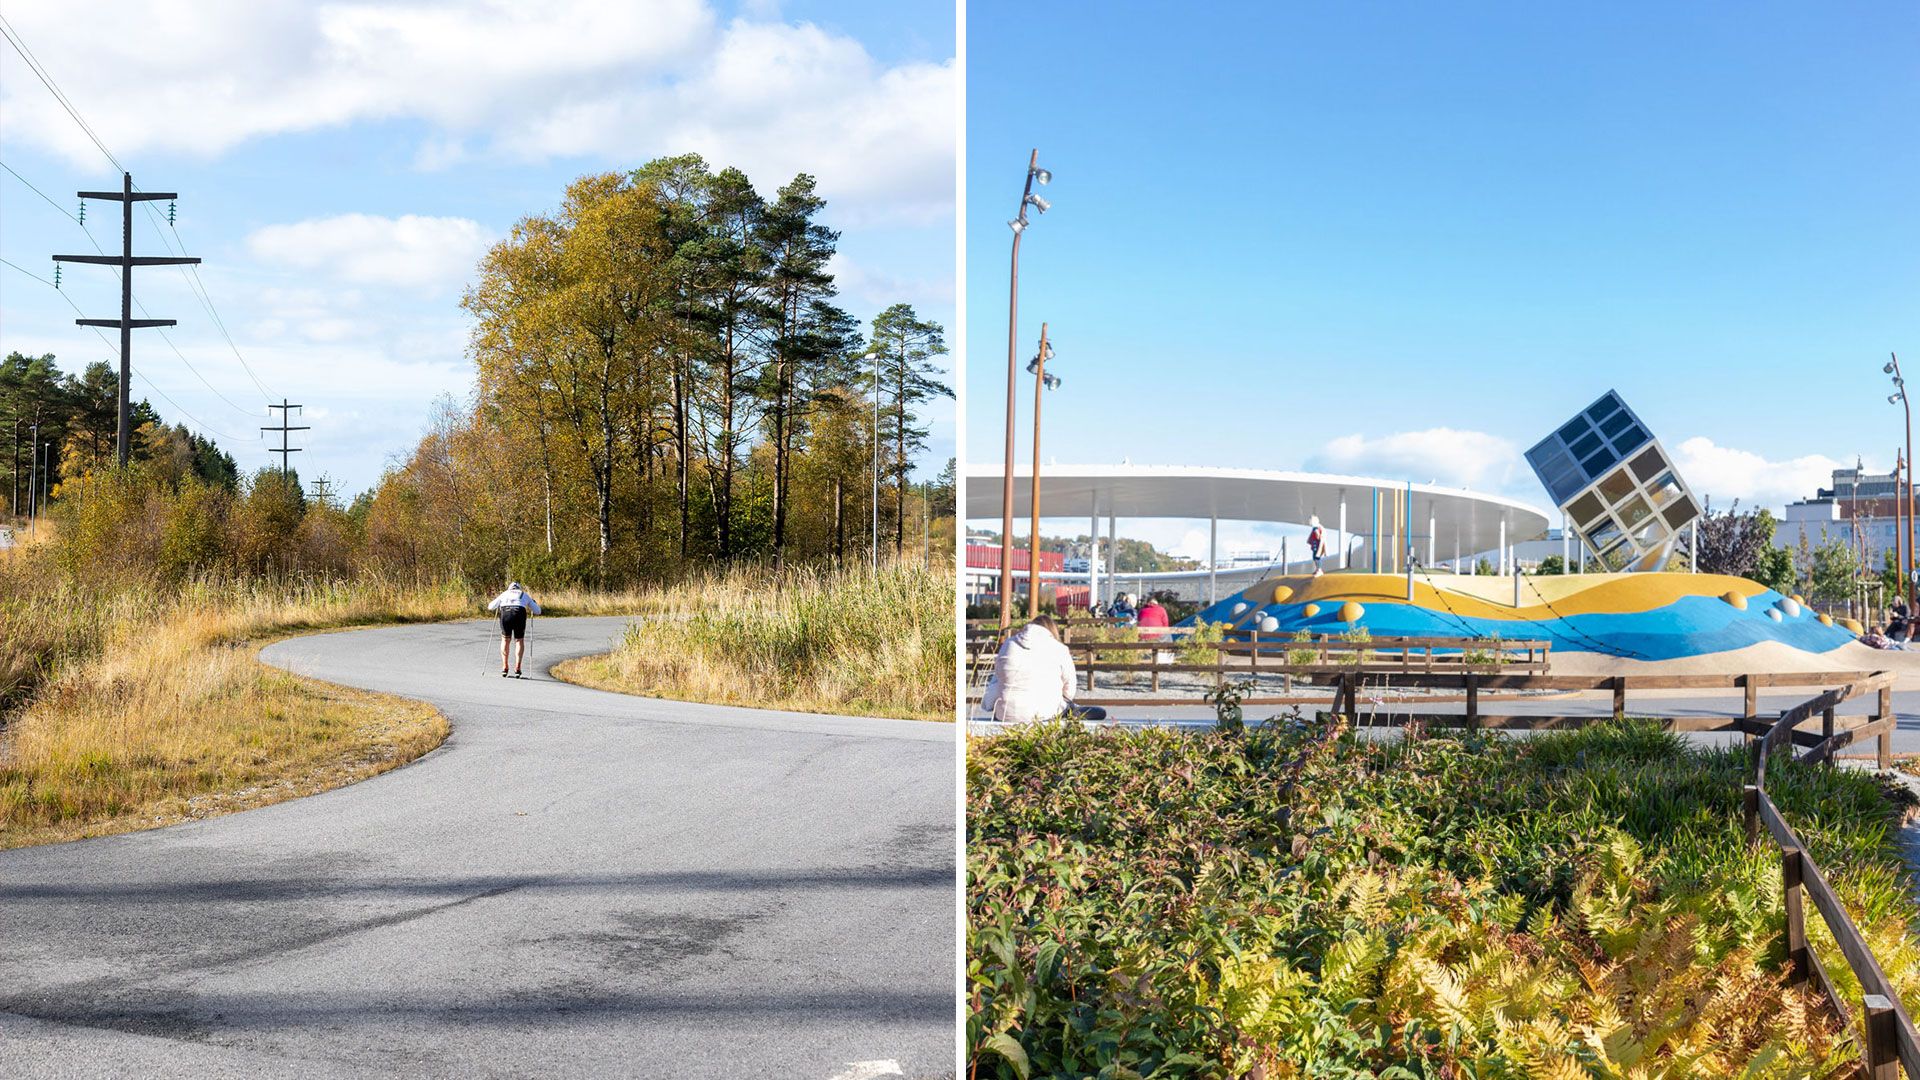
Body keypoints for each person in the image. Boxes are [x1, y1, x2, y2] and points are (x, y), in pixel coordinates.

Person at [980, 613, 1106, 723]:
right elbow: (1069, 692)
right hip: (1045, 714)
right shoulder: (1059, 649)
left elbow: (998, 679)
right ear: (1052, 631)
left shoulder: (1008, 644)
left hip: (1004, 714)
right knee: (1098, 712)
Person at [486, 580, 543, 677]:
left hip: (506, 614)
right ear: (519, 589)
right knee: (519, 640)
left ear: (509, 589)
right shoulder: (524, 594)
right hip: (519, 613)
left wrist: (500, 604)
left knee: (505, 639)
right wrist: (533, 603)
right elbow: (538, 611)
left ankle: (505, 666)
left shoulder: (504, 594)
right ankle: (517, 668)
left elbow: (490, 607)